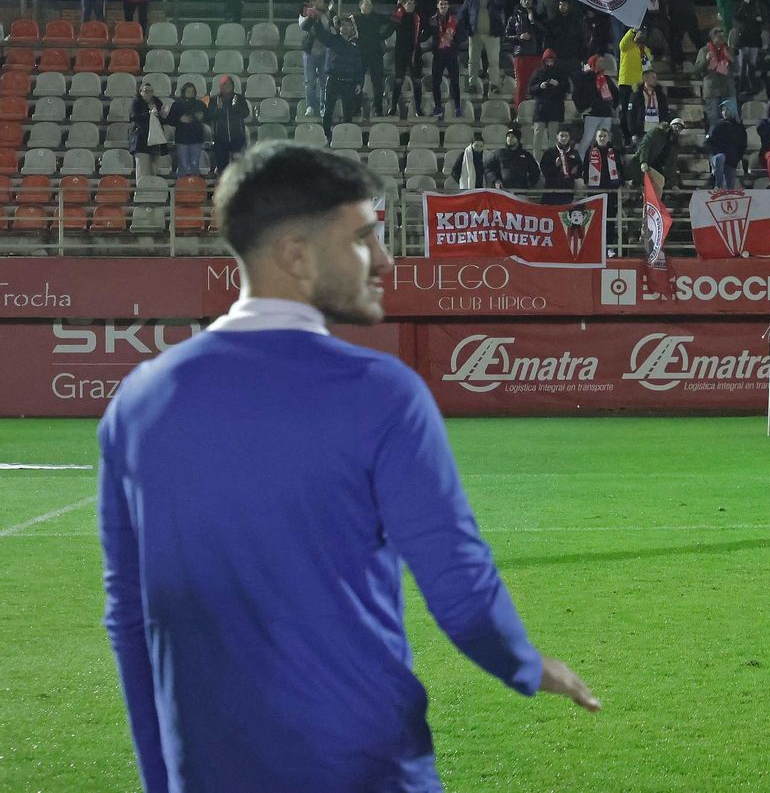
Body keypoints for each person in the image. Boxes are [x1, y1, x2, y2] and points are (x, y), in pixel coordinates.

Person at [99, 142, 599, 792]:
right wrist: (526, 665)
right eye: (364, 237)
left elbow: (133, 615)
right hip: (364, 762)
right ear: (295, 255)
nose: (386, 259)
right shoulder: (379, 392)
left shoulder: (138, 400)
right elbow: (460, 586)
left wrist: (165, 776)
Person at [312, 13, 364, 143]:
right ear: (339, 27)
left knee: (348, 111)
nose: (346, 28)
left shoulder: (355, 44)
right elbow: (320, 34)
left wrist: (359, 82)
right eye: (343, 25)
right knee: (328, 109)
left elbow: (358, 65)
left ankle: (345, 136)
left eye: (348, 25)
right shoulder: (333, 40)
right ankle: (326, 135)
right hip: (333, 79)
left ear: (352, 28)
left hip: (349, 82)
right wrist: (316, 20)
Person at [458, 0, 506, 95]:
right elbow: (462, 14)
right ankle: (472, 84)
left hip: (492, 35)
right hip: (475, 35)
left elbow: (501, 3)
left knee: (494, 61)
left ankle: (494, 84)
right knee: (473, 61)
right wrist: (467, 29)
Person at [658, 0, 705, 69]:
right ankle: (678, 63)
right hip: (675, 16)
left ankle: (706, 58)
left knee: (696, 37)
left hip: (688, 15)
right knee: (675, 40)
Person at [424, 0, 464, 119]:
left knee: (455, 82)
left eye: (446, 4)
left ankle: (457, 107)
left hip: (451, 54)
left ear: (448, 6)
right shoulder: (432, 21)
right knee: (436, 83)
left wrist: (454, 40)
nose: (444, 6)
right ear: (437, 6)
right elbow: (424, 35)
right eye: (441, 4)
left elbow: (462, 36)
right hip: (438, 54)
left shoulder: (455, 20)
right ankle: (438, 108)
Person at [572, 55, 619, 154]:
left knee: (604, 141)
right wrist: (582, 109)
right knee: (587, 139)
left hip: (606, 114)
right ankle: (580, 163)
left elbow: (616, 93)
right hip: (592, 114)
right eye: (599, 62)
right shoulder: (585, 78)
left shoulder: (606, 78)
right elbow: (576, 95)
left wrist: (613, 107)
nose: (602, 64)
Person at [205, 76, 250, 176]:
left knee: (238, 167)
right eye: (225, 84)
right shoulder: (214, 99)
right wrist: (218, 109)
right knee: (222, 168)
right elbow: (209, 116)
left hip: (238, 137)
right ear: (221, 86)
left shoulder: (239, 98)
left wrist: (236, 107)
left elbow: (245, 113)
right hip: (220, 138)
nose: (228, 86)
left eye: (230, 84)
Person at [696, 28, 739, 131]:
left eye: (723, 37)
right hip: (712, 91)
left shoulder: (728, 50)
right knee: (713, 121)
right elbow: (697, 70)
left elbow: (737, 69)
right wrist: (706, 60)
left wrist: (731, 58)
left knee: (731, 120)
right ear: (713, 38)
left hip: (728, 90)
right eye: (719, 37)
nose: (722, 39)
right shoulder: (704, 50)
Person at [297, 0, 333, 119]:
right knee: (310, 81)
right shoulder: (305, 13)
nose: (322, 3)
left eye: (323, 1)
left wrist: (326, 15)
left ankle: (323, 107)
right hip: (310, 53)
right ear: (312, 2)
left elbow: (328, 28)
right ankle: (310, 106)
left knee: (324, 82)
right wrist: (312, 16)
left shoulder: (326, 14)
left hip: (324, 53)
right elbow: (303, 26)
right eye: (319, 1)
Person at [390, 0, 426, 118]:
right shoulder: (399, 15)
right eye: (408, 3)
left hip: (415, 52)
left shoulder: (418, 17)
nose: (410, 5)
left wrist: (422, 38)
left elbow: (426, 30)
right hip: (400, 52)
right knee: (399, 81)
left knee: (417, 82)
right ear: (403, 5)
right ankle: (393, 107)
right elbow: (390, 27)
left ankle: (418, 109)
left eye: (412, 3)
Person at [165, 83, 208, 178]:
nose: (191, 93)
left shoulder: (200, 104)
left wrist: (202, 117)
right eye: (188, 91)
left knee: (195, 165)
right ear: (184, 92)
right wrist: (180, 120)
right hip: (182, 139)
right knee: (183, 165)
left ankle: (195, 188)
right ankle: (181, 188)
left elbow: (209, 118)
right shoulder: (177, 104)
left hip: (196, 139)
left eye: (193, 91)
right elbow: (169, 120)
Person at [128, 81, 168, 181]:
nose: (149, 93)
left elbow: (161, 121)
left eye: (151, 91)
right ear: (140, 92)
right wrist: (149, 113)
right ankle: (142, 193)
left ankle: (153, 193)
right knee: (142, 171)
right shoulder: (136, 102)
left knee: (153, 171)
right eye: (146, 91)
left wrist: (164, 116)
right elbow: (134, 117)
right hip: (141, 141)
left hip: (155, 142)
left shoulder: (157, 102)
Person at [636, 117, 684, 194]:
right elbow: (645, 145)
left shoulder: (674, 144)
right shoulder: (657, 132)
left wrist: (673, 184)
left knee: (659, 184)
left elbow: (672, 164)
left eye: (680, 127)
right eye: (676, 125)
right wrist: (643, 161)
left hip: (658, 167)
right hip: (646, 163)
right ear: (671, 125)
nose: (677, 128)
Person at [704, 103, 746, 189]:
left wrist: (736, 159)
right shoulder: (716, 125)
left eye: (727, 109)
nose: (725, 112)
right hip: (717, 157)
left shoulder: (739, 127)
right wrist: (713, 154)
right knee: (721, 157)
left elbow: (743, 145)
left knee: (730, 188)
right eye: (723, 110)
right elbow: (707, 143)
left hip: (731, 161)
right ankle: (717, 185)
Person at [486, 126, 539, 191]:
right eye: (508, 136)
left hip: (521, 192)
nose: (509, 138)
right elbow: (488, 168)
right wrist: (495, 179)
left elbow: (535, 171)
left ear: (518, 139)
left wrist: (530, 184)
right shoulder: (499, 153)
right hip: (503, 191)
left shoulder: (526, 155)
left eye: (513, 136)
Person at [539, 128, 582, 204]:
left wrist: (576, 171)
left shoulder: (574, 153)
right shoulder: (549, 152)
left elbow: (580, 169)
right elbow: (544, 171)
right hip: (551, 191)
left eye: (566, 136)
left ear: (569, 137)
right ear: (557, 136)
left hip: (567, 191)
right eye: (561, 136)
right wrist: (555, 166)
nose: (564, 138)